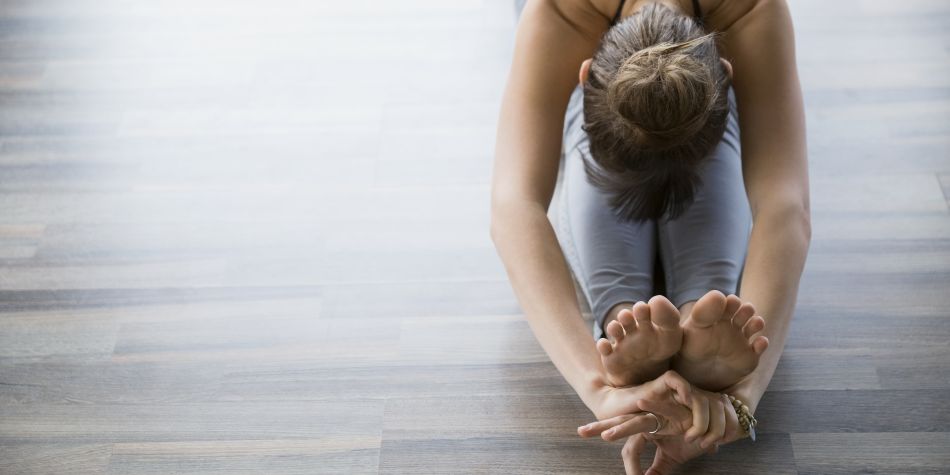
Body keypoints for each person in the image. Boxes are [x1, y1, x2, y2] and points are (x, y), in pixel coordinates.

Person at [490, 0, 811, 473]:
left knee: (679, 105)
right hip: (600, 47)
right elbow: (514, 209)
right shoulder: (559, 9)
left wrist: (741, 400)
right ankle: (701, 304)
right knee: (635, 109)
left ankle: (637, 315)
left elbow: (785, 206)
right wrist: (598, 389)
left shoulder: (751, 8)